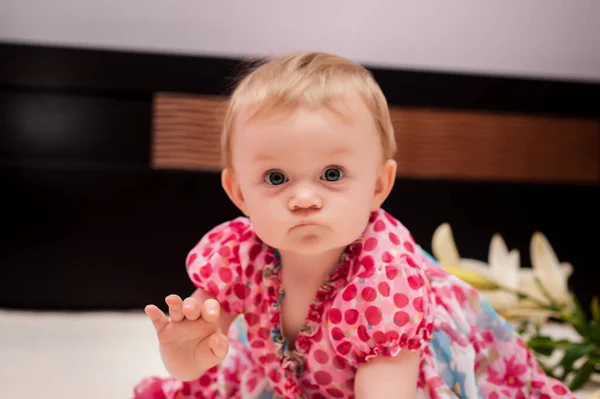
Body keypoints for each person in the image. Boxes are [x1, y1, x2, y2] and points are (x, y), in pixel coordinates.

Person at [133, 52, 575, 399]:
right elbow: (193, 364)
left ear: (379, 185)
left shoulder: (385, 283)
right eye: (275, 178)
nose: (303, 198)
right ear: (239, 193)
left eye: (332, 174)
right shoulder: (236, 254)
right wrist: (181, 353)